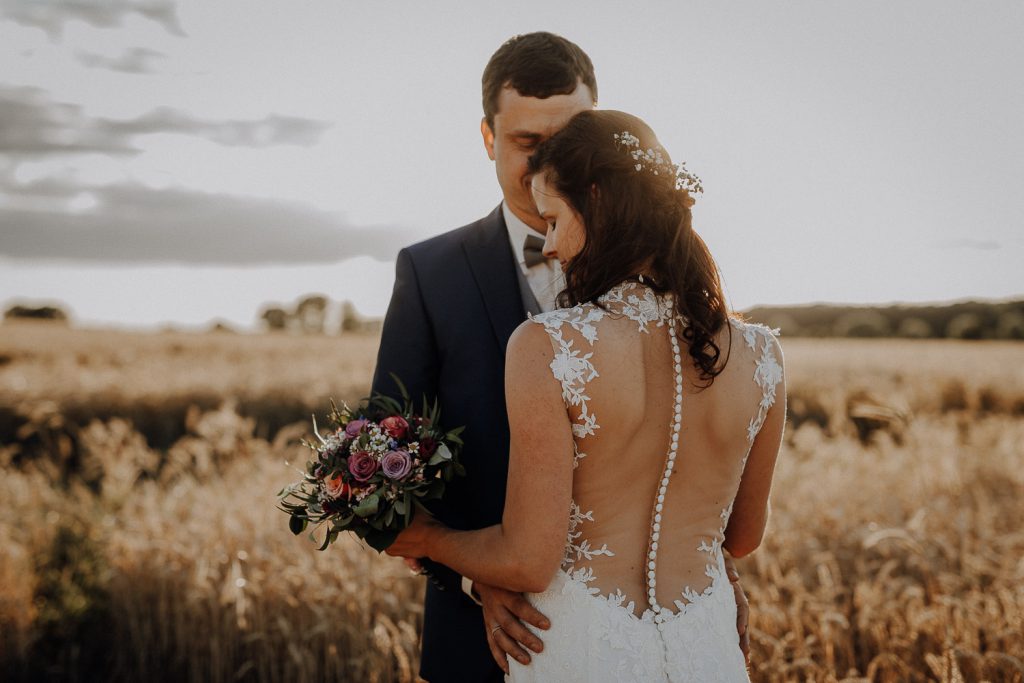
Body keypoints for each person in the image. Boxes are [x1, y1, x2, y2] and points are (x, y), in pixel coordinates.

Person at [372, 33, 750, 682]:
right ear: (489, 138)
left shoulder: (678, 285)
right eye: (527, 144)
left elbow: (693, 454)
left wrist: (700, 574)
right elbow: (380, 470)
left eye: (571, 138)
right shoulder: (430, 273)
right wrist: (477, 577)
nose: (553, 161)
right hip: (488, 644)